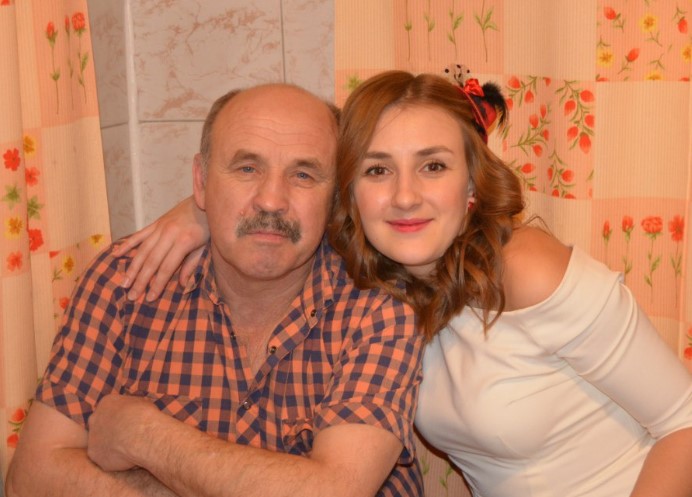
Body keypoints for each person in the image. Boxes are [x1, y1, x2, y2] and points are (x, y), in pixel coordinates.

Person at [116, 69, 692, 497]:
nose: (405, 195)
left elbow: (683, 423)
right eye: (377, 169)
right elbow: (282, 199)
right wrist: (196, 213)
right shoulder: (372, 284)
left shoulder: (527, 270)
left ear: (472, 184)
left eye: (433, 166)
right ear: (350, 192)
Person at [5, 83, 426, 497]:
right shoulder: (125, 282)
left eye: (303, 174)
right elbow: (30, 478)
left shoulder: (378, 305)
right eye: (247, 169)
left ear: (335, 199)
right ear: (201, 181)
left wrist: (144, 435)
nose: (271, 201)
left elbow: (335, 491)